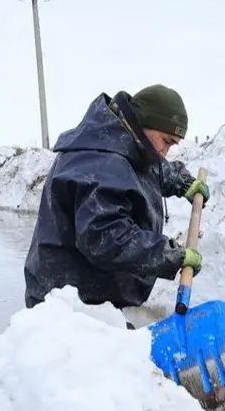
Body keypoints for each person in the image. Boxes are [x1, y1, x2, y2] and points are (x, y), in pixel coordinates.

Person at [22, 84, 210, 323]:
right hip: (66, 302)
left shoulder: (126, 141)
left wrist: (183, 183)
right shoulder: (99, 161)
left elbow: (147, 168)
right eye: (166, 141)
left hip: (92, 291)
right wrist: (170, 255)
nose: (165, 151)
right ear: (144, 123)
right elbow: (107, 238)